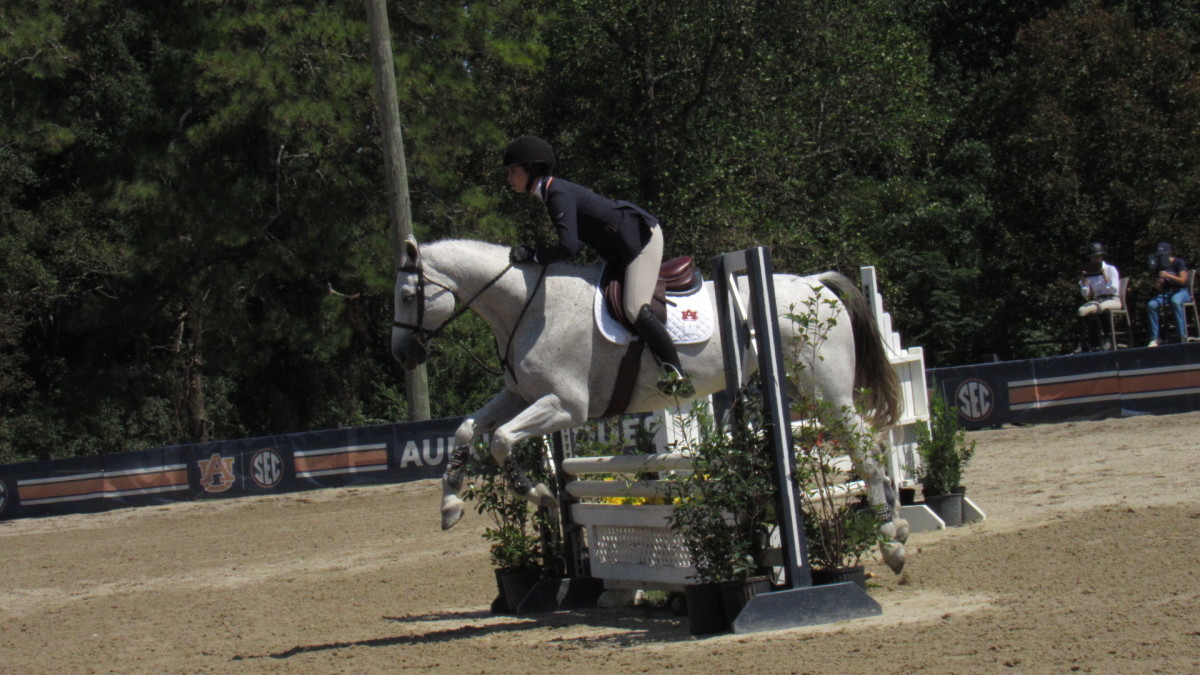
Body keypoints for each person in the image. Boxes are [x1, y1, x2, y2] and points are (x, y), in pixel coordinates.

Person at [502, 136, 694, 396]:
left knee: (633, 308)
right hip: (618, 247)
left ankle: (677, 375)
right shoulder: (552, 192)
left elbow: (569, 248)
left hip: (640, 240)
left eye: (513, 171)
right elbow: (577, 242)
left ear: (531, 170)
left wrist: (535, 257)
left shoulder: (556, 194)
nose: (509, 178)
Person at [1075, 242, 1121, 352]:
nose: (1095, 260)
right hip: (1097, 299)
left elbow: (1114, 289)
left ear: (1101, 257)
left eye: (1097, 257)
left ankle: (1107, 338)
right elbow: (1085, 294)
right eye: (1093, 257)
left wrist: (1105, 277)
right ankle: (1084, 342)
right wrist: (1084, 281)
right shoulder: (1091, 272)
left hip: (1112, 298)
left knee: (1103, 307)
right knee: (1082, 310)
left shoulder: (1111, 269)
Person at [1145, 241, 1190, 347]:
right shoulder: (1159, 267)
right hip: (1166, 293)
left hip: (1181, 291)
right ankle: (1155, 338)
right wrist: (1159, 282)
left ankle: (1181, 335)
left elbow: (1184, 281)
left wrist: (1169, 276)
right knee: (1151, 305)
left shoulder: (1178, 262)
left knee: (1175, 301)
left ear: (1169, 252)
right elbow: (1158, 288)